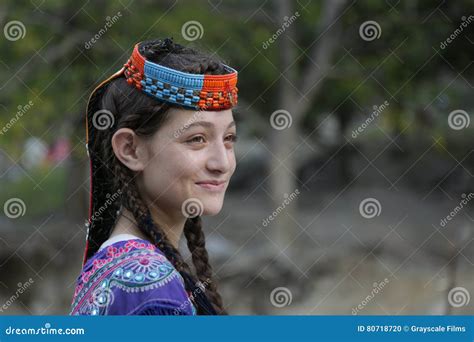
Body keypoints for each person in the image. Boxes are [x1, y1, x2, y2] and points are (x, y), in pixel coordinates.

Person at [70, 38, 238, 315]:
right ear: (130, 149)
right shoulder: (151, 290)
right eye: (197, 139)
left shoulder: (119, 265)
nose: (222, 163)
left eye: (229, 138)